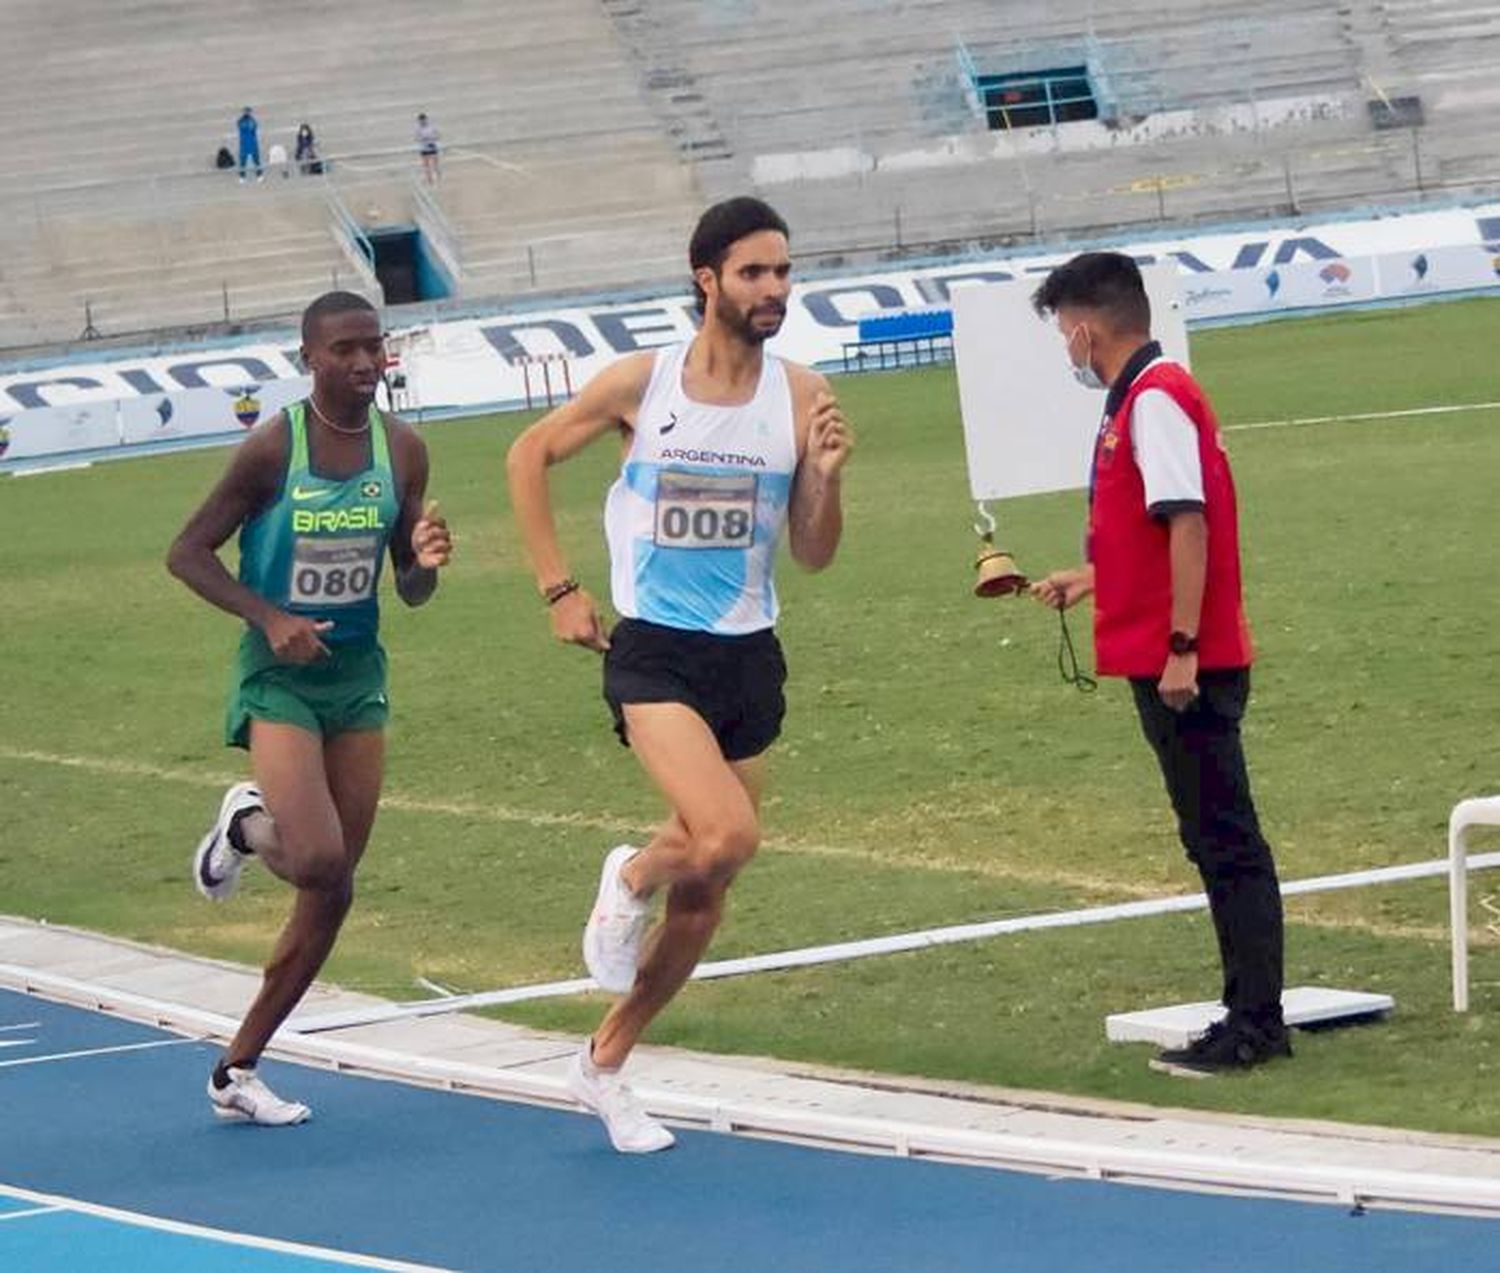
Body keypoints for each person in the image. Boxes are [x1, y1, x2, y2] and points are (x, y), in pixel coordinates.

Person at [506, 196, 852, 1152]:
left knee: (711, 881)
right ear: (708, 280)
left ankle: (605, 1061)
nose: (774, 289)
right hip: (654, 649)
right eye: (753, 272)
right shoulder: (641, 384)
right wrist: (558, 587)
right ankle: (634, 868)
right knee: (729, 832)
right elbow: (527, 455)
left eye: (784, 271)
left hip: (750, 650)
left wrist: (824, 475)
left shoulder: (802, 395)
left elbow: (814, 552)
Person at [167, 291, 452, 1124]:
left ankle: (237, 1069)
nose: (367, 364)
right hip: (280, 676)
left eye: (377, 347)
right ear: (310, 358)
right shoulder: (272, 447)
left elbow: (410, 583)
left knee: (334, 889)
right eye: (347, 351)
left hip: (356, 674)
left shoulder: (403, 450)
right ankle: (246, 825)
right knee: (318, 858)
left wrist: (427, 561)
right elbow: (187, 552)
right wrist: (271, 616)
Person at [1028, 251, 1288, 1077]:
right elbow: (1158, 530)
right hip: (1169, 652)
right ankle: (1248, 1011)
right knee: (1212, 834)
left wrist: (1182, 647)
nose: (1066, 349)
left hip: (1185, 663)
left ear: (1084, 326)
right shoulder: (1142, 397)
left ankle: (1254, 1020)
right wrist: (1095, 577)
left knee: (1224, 837)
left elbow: (1188, 522)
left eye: (1064, 333)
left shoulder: (1154, 398)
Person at [236, 107, 263, 183]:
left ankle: (259, 174)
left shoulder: (252, 121)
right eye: (245, 112)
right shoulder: (241, 121)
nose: (247, 113)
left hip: (252, 143)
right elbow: (241, 126)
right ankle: (242, 176)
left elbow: (253, 127)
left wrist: (249, 124)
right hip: (244, 144)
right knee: (243, 161)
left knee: (256, 160)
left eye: (248, 112)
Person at [415, 112, 440, 184]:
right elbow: (417, 138)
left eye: (424, 120)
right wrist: (423, 139)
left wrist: (431, 139)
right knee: (426, 165)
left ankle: (438, 177)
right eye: (421, 120)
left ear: (426, 119)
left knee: (435, 164)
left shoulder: (431, 127)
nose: (422, 121)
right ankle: (429, 180)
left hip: (432, 147)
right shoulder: (418, 129)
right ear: (419, 121)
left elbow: (438, 136)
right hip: (424, 148)